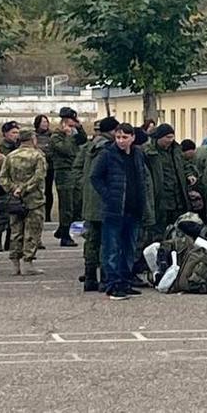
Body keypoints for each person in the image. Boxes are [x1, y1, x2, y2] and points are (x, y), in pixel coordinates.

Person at [89, 123, 149, 300]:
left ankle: (125, 280)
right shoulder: (107, 154)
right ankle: (112, 284)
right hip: (114, 210)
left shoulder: (138, 154)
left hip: (134, 208)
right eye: (118, 137)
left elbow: (142, 178)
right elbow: (95, 177)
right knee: (112, 247)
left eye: (125, 137)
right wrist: (108, 196)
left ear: (132, 138)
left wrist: (142, 201)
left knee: (129, 247)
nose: (121, 141)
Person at [75, 115, 118, 292]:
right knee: (106, 241)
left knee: (91, 240)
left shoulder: (89, 147)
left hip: (90, 200)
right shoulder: (109, 149)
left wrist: (83, 188)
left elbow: (77, 169)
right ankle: (105, 279)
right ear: (113, 131)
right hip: (104, 201)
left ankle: (90, 277)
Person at [0, 128, 47, 276]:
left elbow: (3, 177)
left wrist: (14, 189)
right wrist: (25, 188)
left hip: (15, 200)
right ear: (32, 139)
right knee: (32, 231)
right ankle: (28, 262)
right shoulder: (38, 156)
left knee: (15, 231)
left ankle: (15, 264)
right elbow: (39, 176)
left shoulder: (10, 156)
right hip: (34, 199)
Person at [144, 123, 195, 241]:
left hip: (178, 199)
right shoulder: (149, 153)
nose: (170, 140)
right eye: (167, 137)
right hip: (161, 200)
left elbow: (185, 165)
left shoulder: (176, 150)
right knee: (159, 233)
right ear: (159, 137)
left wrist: (189, 175)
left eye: (172, 137)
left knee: (179, 232)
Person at [47, 108, 85, 246]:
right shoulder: (56, 136)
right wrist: (68, 135)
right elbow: (67, 150)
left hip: (74, 172)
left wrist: (80, 128)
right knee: (66, 206)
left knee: (77, 204)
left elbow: (83, 140)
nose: (73, 124)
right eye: (71, 121)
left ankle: (63, 229)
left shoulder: (74, 133)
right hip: (63, 172)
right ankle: (65, 235)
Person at [0, 120, 22, 248]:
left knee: (14, 218)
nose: (16, 135)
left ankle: (10, 244)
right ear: (5, 134)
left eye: (17, 132)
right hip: (3, 187)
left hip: (16, 186)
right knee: (2, 218)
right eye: (13, 132)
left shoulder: (20, 148)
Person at [33, 113, 55, 224]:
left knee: (48, 191)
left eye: (46, 122)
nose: (45, 124)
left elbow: (52, 150)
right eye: (43, 122)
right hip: (35, 168)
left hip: (49, 167)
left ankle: (47, 215)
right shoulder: (33, 135)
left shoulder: (52, 135)